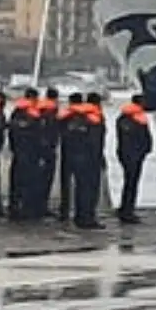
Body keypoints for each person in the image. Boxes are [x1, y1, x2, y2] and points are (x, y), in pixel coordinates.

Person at [61, 92, 106, 229]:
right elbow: (95, 142)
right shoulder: (95, 119)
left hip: (72, 156)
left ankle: (78, 216)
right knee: (89, 189)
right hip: (90, 158)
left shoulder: (73, 118)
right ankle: (87, 218)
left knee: (79, 188)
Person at [115, 93, 152, 223]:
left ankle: (125, 208)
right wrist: (145, 150)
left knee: (128, 182)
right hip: (134, 155)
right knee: (131, 183)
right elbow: (141, 138)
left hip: (125, 154)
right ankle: (127, 212)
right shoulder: (137, 119)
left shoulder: (122, 118)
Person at [7, 88, 43, 220]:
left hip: (18, 152)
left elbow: (11, 132)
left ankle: (14, 209)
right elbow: (38, 135)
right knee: (29, 182)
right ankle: (27, 210)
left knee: (16, 183)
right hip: (30, 153)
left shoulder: (16, 113)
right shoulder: (34, 115)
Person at [56, 92, 84, 222]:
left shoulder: (64, 116)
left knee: (65, 184)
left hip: (66, 152)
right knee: (82, 185)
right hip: (81, 154)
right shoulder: (86, 116)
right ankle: (80, 212)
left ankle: (64, 211)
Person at [35, 87, 60, 217]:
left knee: (38, 179)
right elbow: (49, 132)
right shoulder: (50, 113)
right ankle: (41, 207)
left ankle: (37, 206)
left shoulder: (39, 110)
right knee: (45, 179)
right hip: (47, 150)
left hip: (38, 150)